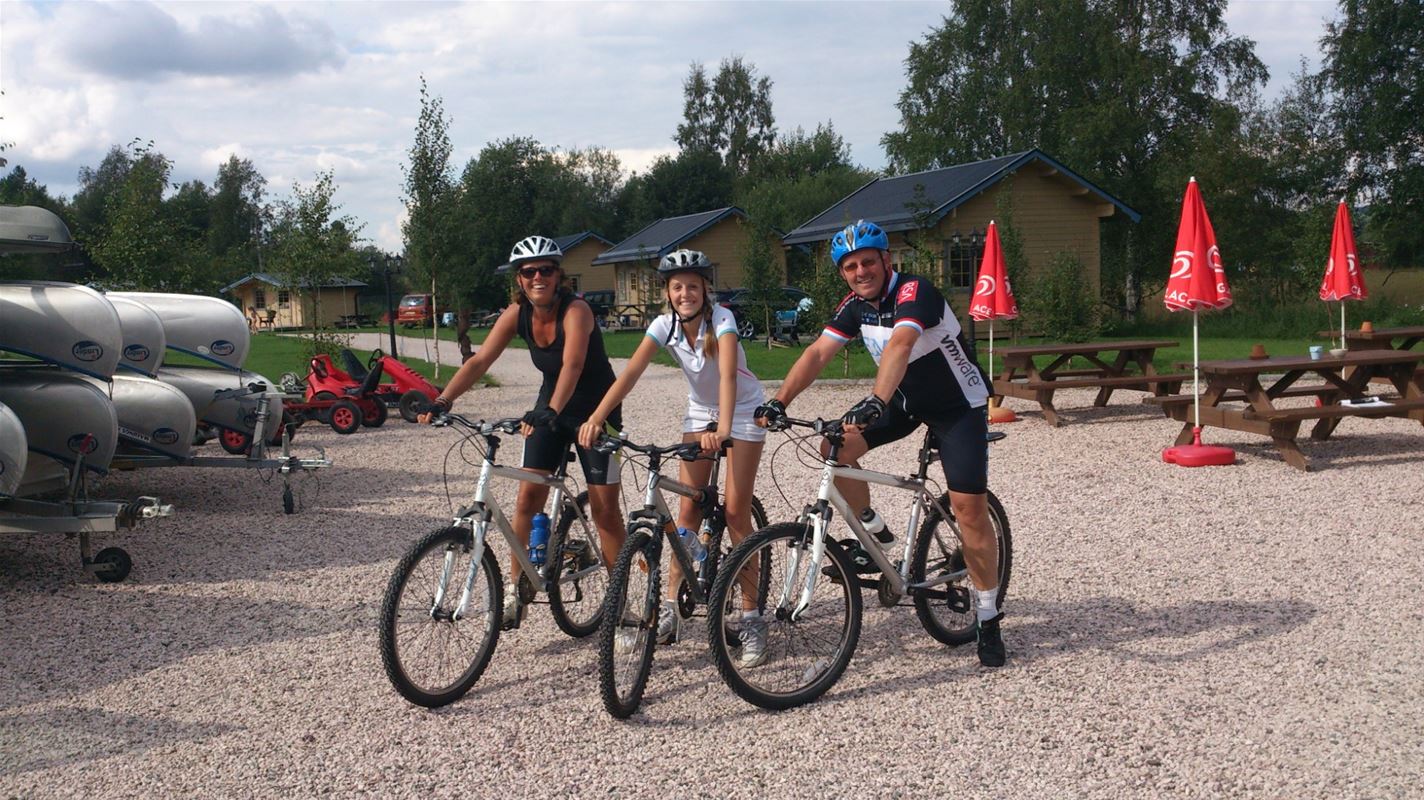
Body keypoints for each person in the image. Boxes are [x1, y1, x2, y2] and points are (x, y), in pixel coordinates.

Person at [753, 219, 1007, 667]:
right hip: (905, 400)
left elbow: (901, 344)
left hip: (957, 407)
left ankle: (987, 615)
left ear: (886, 260)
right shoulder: (855, 305)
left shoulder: (914, 291)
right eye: (850, 266)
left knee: (969, 510)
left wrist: (875, 399)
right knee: (835, 446)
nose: (860, 271)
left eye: (868, 261)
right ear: (843, 272)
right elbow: (816, 353)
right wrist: (779, 400)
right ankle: (874, 531)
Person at [419, 235, 626, 630]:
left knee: (604, 511)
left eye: (545, 270)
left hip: (596, 410)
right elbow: (480, 360)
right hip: (550, 405)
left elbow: (574, 364)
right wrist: (443, 400)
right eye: (529, 272)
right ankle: (516, 589)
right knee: (526, 498)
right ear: (519, 279)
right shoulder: (517, 314)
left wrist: (550, 410)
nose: (537, 278)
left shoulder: (576, 310)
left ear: (558, 274)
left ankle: (621, 609)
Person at [577, 249, 769, 666]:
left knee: (736, 515)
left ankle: (753, 618)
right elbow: (629, 373)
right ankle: (669, 609)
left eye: (693, 287)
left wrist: (721, 428)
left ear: (705, 290)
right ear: (667, 292)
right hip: (701, 411)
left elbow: (727, 373)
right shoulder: (664, 325)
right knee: (687, 511)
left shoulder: (723, 321)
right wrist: (596, 417)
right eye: (677, 287)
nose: (686, 294)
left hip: (741, 409)